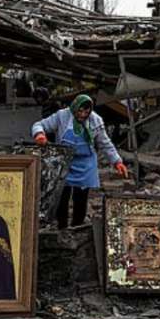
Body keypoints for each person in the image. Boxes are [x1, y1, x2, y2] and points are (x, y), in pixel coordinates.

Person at [31, 94, 128, 228]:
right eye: (80, 111)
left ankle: (77, 227)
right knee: (62, 197)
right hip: (65, 161)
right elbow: (39, 125)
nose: (82, 115)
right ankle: (62, 226)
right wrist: (39, 134)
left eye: (86, 112)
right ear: (74, 108)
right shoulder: (62, 116)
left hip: (86, 164)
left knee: (81, 198)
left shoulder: (96, 120)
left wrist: (117, 161)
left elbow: (105, 143)